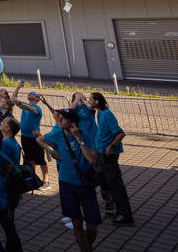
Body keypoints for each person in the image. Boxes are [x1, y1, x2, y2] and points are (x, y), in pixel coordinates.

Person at [37, 109, 101, 252]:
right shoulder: (57, 134)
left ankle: (85, 247)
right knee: (77, 224)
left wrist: (80, 140)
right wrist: (51, 150)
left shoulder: (84, 134)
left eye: (63, 118)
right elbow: (39, 139)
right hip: (67, 184)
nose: (59, 120)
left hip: (85, 184)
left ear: (72, 123)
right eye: (59, 117)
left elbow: (92, 159)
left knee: (92, 226)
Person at [89, 92, 133, 226]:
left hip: (109, 156)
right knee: (107, 183)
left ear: (96, 101)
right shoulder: (100, 113)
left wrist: (111, 146)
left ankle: (125, 216)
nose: (88, 101)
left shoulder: (107, 114)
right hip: (102, 154)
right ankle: (116, 210)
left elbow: (120, 133)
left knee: (115, 185)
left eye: (90, 99)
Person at [14, 91, 49, 189]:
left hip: (35, 138)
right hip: (24, 137)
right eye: (28, 93)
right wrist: (18, 87)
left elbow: (31, 109)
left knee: (40, 159)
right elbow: (14, 99)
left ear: (37, 99)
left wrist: (20, 103)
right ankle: (33, 178)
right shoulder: (24, 106)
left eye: (32, 94)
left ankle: (46, 181)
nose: (29, 94)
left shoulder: (37, 108)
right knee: (30, 159)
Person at [0, 119, 23, 252]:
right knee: (8, 220)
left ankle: (14, 247)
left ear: (7, 129)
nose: (1, 123)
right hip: (13, 187)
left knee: (7, 223)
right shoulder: (13, 142)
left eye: (4, 123)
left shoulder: (5, 144)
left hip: (6, 187)